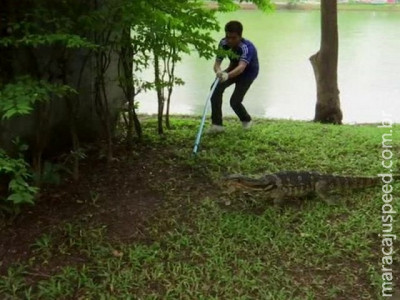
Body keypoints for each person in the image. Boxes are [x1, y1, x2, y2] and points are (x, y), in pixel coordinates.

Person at [208, 20, 259, 133]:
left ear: (240, 36)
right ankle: (217, 125)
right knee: (215, 88)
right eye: (228, 37)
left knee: (234, 101)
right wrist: (219, 71)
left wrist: (227, 75)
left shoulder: (247, 47)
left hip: (248, 72)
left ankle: (246, 120)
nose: (230, 40)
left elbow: (241, 67)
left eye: (233, 38)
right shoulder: (223, 43)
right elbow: (217, 63)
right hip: (233, 68)